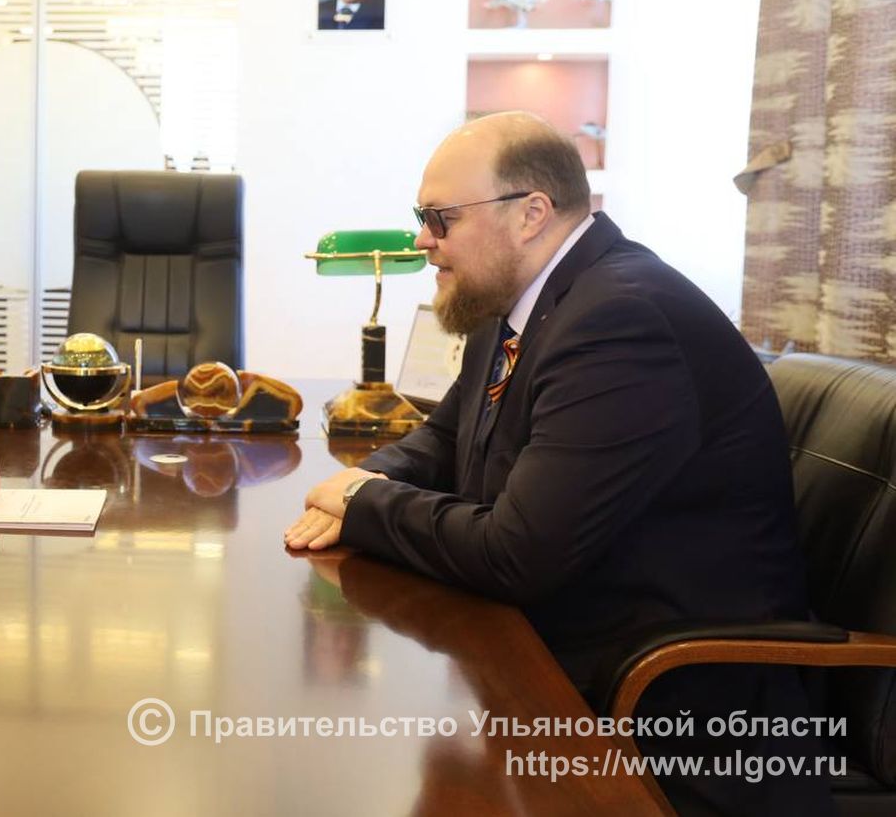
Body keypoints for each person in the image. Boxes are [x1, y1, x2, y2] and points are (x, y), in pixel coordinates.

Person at [284, 112, 830, 815]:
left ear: (531, 214)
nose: (423, 240)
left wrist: (363, 503)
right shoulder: (519, 304)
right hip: (567, 650)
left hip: (671, 712)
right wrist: (371, 478)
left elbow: (515, 554)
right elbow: (447, 438)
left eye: (441, 218)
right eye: (423, 218)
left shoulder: (620, 319)